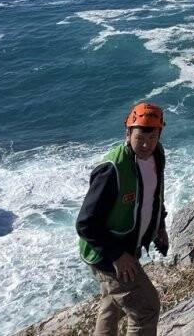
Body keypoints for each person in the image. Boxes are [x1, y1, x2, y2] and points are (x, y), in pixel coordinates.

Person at [76, 103, 169, 336]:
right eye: (140, 137)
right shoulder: (112, 169)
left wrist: (160, 225)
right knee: (145, 309)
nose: (146, 144)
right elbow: (85, 223)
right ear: (127, 133)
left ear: (160, 134)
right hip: (106, 254)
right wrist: (117, 256)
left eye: (153, 136)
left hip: (127, 247)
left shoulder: (157, 155)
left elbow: (154, 195)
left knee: (112, 306)